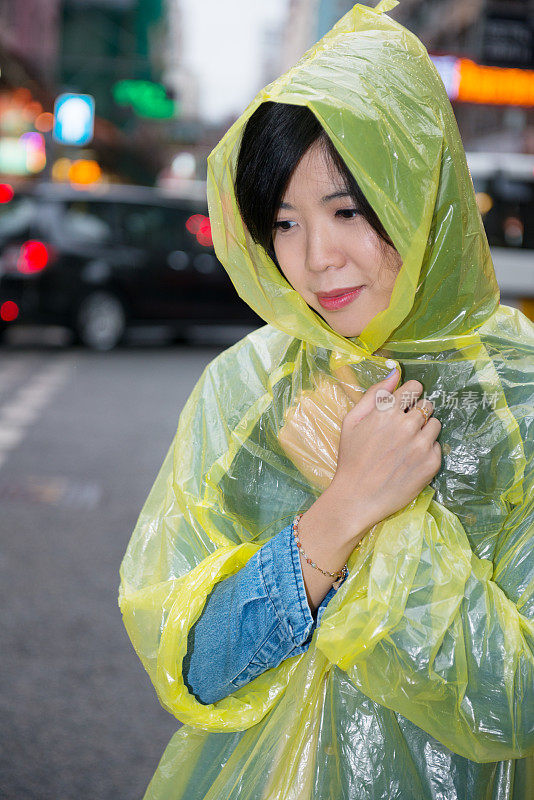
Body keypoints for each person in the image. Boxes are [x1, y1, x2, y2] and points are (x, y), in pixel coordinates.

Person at [118, 2, 534, 798]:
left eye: (348, 209)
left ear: (420, 189)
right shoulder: (249, 390)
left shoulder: (519, 397)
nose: (316, 260)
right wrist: (340, 513)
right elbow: (196, 669)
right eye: (283, 222)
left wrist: (392, 522)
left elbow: (514, 703)